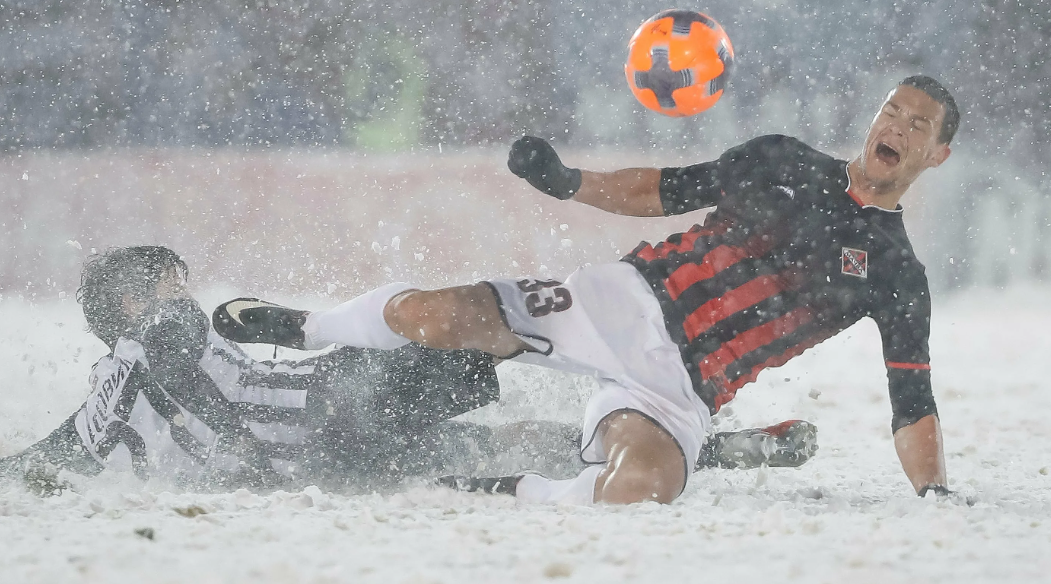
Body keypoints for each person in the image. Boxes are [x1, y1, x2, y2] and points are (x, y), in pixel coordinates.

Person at [214, 75, 955, 506]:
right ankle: (308, 326)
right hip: (619, 299)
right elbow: (663, 191)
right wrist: (568, 183)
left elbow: (912, 404)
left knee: (640, 490)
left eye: (917, 124)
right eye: (892, 110)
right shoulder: (781, 159)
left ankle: (517, 489)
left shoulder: (896, 274)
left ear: (937, 154)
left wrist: (935, 496)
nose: (896, 125)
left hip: (682, 390)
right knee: (431, 317)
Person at [2, 247, 814, 493]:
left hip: (321, 459)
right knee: (488, 337)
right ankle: (687, 430)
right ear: (138, 299)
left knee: (505, 445)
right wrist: (238, 446)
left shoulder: (108, 392)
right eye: (167, 279)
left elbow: (52, 458)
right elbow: (190, 373)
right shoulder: (161, 331)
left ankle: (697, 450)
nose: (183, 289)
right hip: (330, 403)